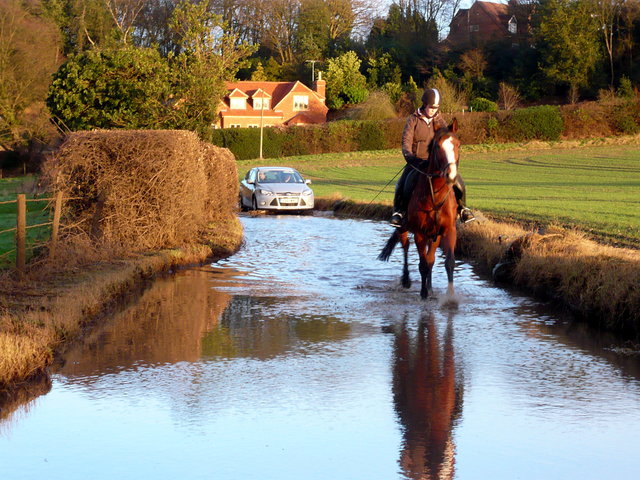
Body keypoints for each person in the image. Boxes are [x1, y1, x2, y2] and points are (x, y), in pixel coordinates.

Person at [390, 88, 475, 228]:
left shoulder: (440, 121)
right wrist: (411, 159)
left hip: (435, 163)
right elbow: (406, 143)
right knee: (402, 183)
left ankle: (463, 209)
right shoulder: (413, 120)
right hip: (416, 162)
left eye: (435, 108)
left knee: (458, 180)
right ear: (424, 105)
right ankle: (399, 213)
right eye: (431, 107)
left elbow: (447, 139)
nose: (433, 110)